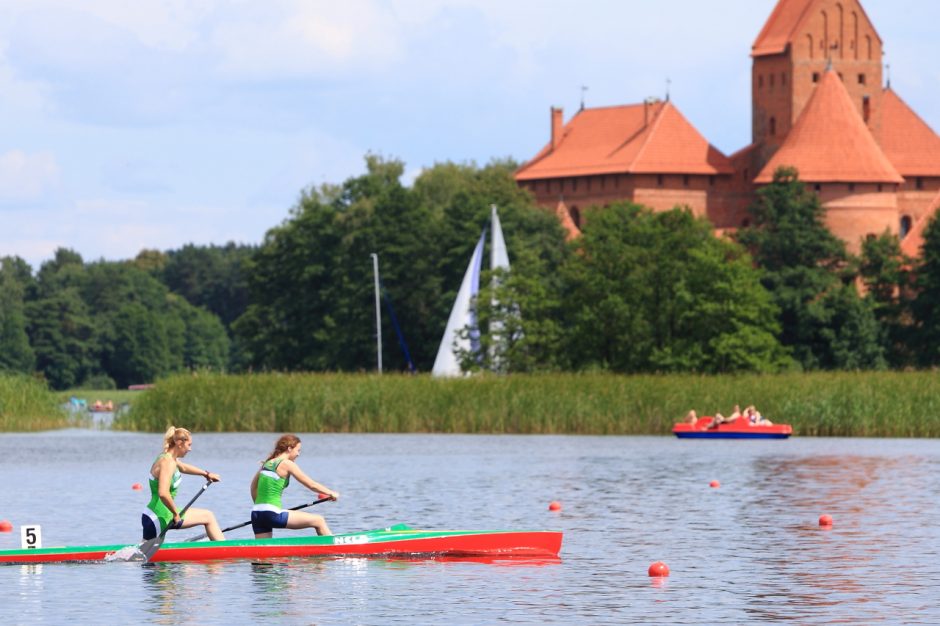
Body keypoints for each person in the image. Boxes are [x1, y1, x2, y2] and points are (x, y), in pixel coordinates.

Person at [142, 426, 224, 541]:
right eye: (189, 445)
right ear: (180, 443)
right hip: (161, 516)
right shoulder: (168, 462)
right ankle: (225, 551)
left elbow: (184, 467)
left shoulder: (167, 457)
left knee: (142, 555)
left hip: (152, 515)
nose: (190, 449)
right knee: (208, 516)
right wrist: (176, 513)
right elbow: (163, 493)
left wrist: (206, 474)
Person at [250, 434, 339, 538]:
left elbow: (253, 488)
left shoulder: (267, 464)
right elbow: (311, 484)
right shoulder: (287, 464)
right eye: (298, 450)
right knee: (319, 520)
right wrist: (330, 492)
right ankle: (334, 549)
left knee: (264, 551)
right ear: (289, 449)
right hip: (272, 513)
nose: (298, 454)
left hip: (256, 514)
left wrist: (262, 508)